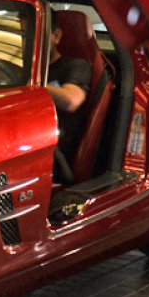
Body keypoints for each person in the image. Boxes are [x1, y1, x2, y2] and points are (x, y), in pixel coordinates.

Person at [46, 9, 90, 183]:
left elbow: (71, 100)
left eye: (33, 35)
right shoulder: (17, 69)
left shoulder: (75, 65)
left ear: (56, 36)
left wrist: (30, 85)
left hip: (55, 154)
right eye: (23, 36)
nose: (26, 42)